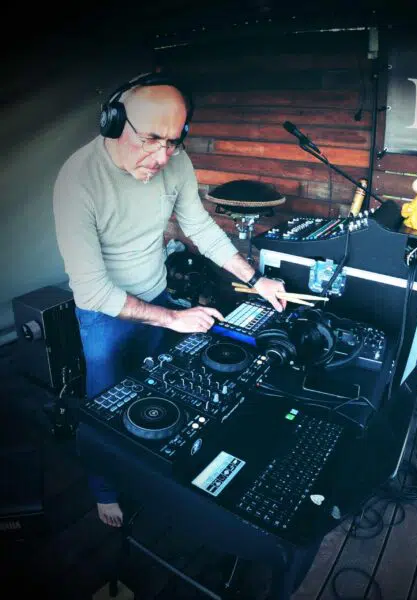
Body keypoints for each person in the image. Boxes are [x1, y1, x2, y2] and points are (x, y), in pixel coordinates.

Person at [52, 72, 287, 527]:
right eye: (151, 139)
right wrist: (173, 318)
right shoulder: (77, 181)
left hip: (156, 295)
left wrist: (256, 279)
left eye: (174, 141)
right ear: (113, 122)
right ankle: (104, 492)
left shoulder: (176, 163)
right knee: (105, 406)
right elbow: (92, 290)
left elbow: (201, 229)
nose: (162, 156)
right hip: (104, 315)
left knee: (159, 395)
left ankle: (153, 477)